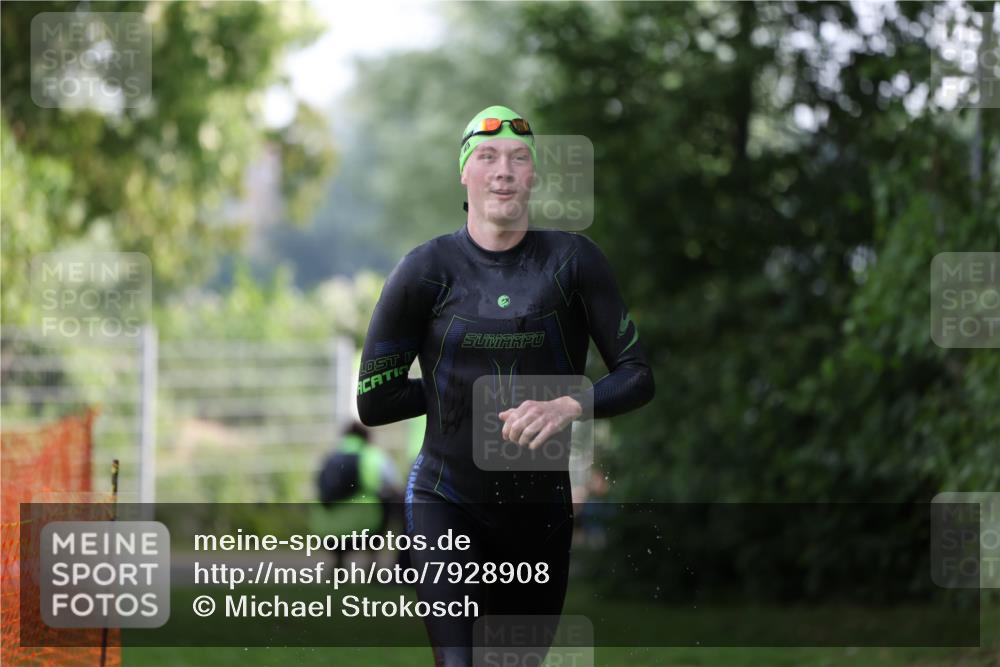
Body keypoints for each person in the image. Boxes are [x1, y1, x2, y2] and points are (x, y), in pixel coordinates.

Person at [357, 105, 655, 666]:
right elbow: (374, 403)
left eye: (520, 158)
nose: (504, 170)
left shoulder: (573, 262)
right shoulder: (424, 270)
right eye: (487, 156)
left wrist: (570, 403)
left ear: (534, 176)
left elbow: (638, 376)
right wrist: (461, 397)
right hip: (446, 498)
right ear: (464, 174)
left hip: (537, 512)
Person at [313, 421, 405, 567]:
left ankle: (339, 564)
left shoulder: (329, 458)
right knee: (389, 500)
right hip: (365, 530)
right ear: (368, 438)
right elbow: (395, 485)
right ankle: (373, 563)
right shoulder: (374, 456)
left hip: (327, 532)